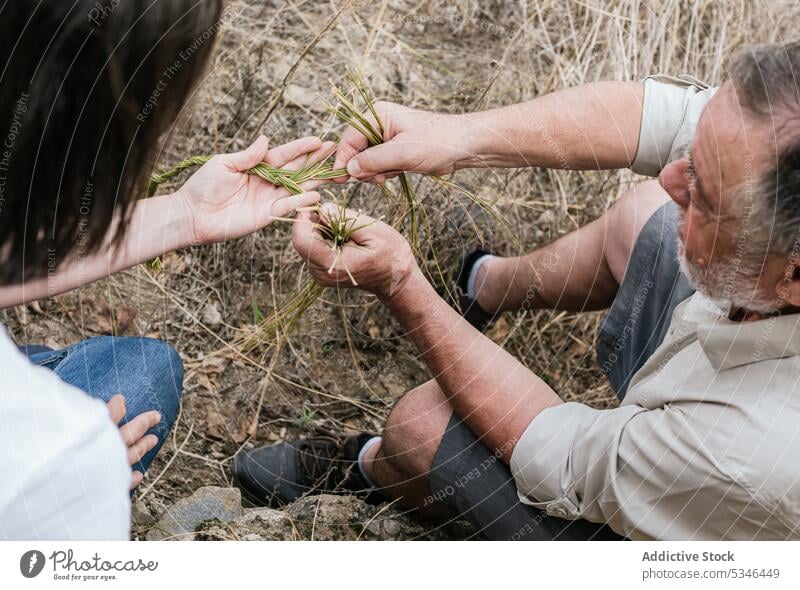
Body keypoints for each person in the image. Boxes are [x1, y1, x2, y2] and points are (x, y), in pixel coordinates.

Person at [233, 42, 800, 540]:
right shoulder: (777, 139)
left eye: (706, 197)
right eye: (691, 160)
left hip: (677, 529)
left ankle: (369, 469)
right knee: (645, 219)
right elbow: (658, 117)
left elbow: (565, 455)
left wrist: (402, 284)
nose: (671, 178)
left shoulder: (753, 454)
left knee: (422, 422)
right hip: (707, 418)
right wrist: (456, 135)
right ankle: (480, 287)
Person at [0, 0, 323, 540]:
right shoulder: (55, 465)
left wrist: (186, 214)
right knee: (137, 388)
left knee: (143, 370)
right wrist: (69, 471)